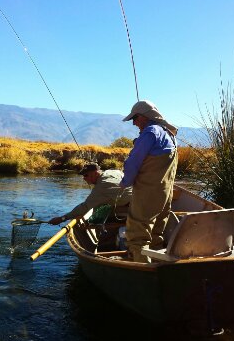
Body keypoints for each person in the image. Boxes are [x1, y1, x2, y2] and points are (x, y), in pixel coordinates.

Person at [119, 100, 178, 263]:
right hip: (165, 195)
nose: (134, 123)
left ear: (144, 116)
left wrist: (125, 182)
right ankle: (159, 263)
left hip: (147, 193)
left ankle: (141, 267)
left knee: (138, 233)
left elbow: (133, 162)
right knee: (157, 232)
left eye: (135, 118)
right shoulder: (169, 133)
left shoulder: (150, 133)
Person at [48, 163, 132, 225]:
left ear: (96, 173)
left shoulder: (100, 188)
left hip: (134, 207)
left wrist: (62, 218)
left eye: (86, 175)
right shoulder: (111, 171)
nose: (84, 178)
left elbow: (85, 207)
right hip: (139, 199)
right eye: (83, 176)